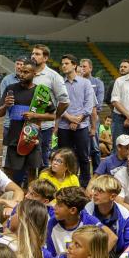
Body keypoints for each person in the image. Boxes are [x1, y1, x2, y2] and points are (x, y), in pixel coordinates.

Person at [0, 59, 56, 184]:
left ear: (34, 74)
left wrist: (34, 115)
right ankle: (13, 198)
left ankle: (31, 198)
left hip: (32, 136)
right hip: (14, 136)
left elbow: (52, 116)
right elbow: (0, 113)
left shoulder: (42, 92)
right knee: (10, 171)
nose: (22, 74)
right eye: (21, 71)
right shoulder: (10, 88)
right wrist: (5, 105)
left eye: (26, 72)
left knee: (31, 171)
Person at [57, 54, 96, 187]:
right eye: (62, 64)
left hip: (81, 126)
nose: (63, 66)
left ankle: (85, 186)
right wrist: (70, 118)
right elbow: (58, 103)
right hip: (64, 126)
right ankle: (65, 184)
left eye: (66, 63)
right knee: (64, 157)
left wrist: (77, 120)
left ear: (74, 65)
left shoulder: (86, 83)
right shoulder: (60, 83)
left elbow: (89, 105)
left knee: (83, 157)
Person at [30, 45, 70, 169]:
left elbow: (64, 101)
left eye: (37, 54)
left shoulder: (53, 76)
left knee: (43, 159)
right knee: (27, 158)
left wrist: (54, 116)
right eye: (32, 53)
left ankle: (44, 187)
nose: (33, 56)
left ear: (45, 58)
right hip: (27, 124)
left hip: (44, 127)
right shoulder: (27, 73)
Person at [44, 186, 110, 256]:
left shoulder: (89, 221)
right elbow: (52, 255)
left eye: (59, 205)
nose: (54, 207)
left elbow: (112, 237)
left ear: (73, 210)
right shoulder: (52, 223)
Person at [85, 175, 129, 258]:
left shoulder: (125, 215)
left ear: (112, 197)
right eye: (94, 189)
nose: (94, 193)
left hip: (117, 255)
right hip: (92, 255)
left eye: (100, 191)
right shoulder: (87, 212)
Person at [79, 58, 104, 171]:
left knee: (94, 146)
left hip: (92, 118)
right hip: (78, 119)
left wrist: (88, 114)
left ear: (91, 68)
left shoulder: (97, 83)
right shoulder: (77, 82)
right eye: (81, 66)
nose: (82, 68)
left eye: (84, 66)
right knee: (81, 146)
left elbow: (98, 103)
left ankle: (97, 171)